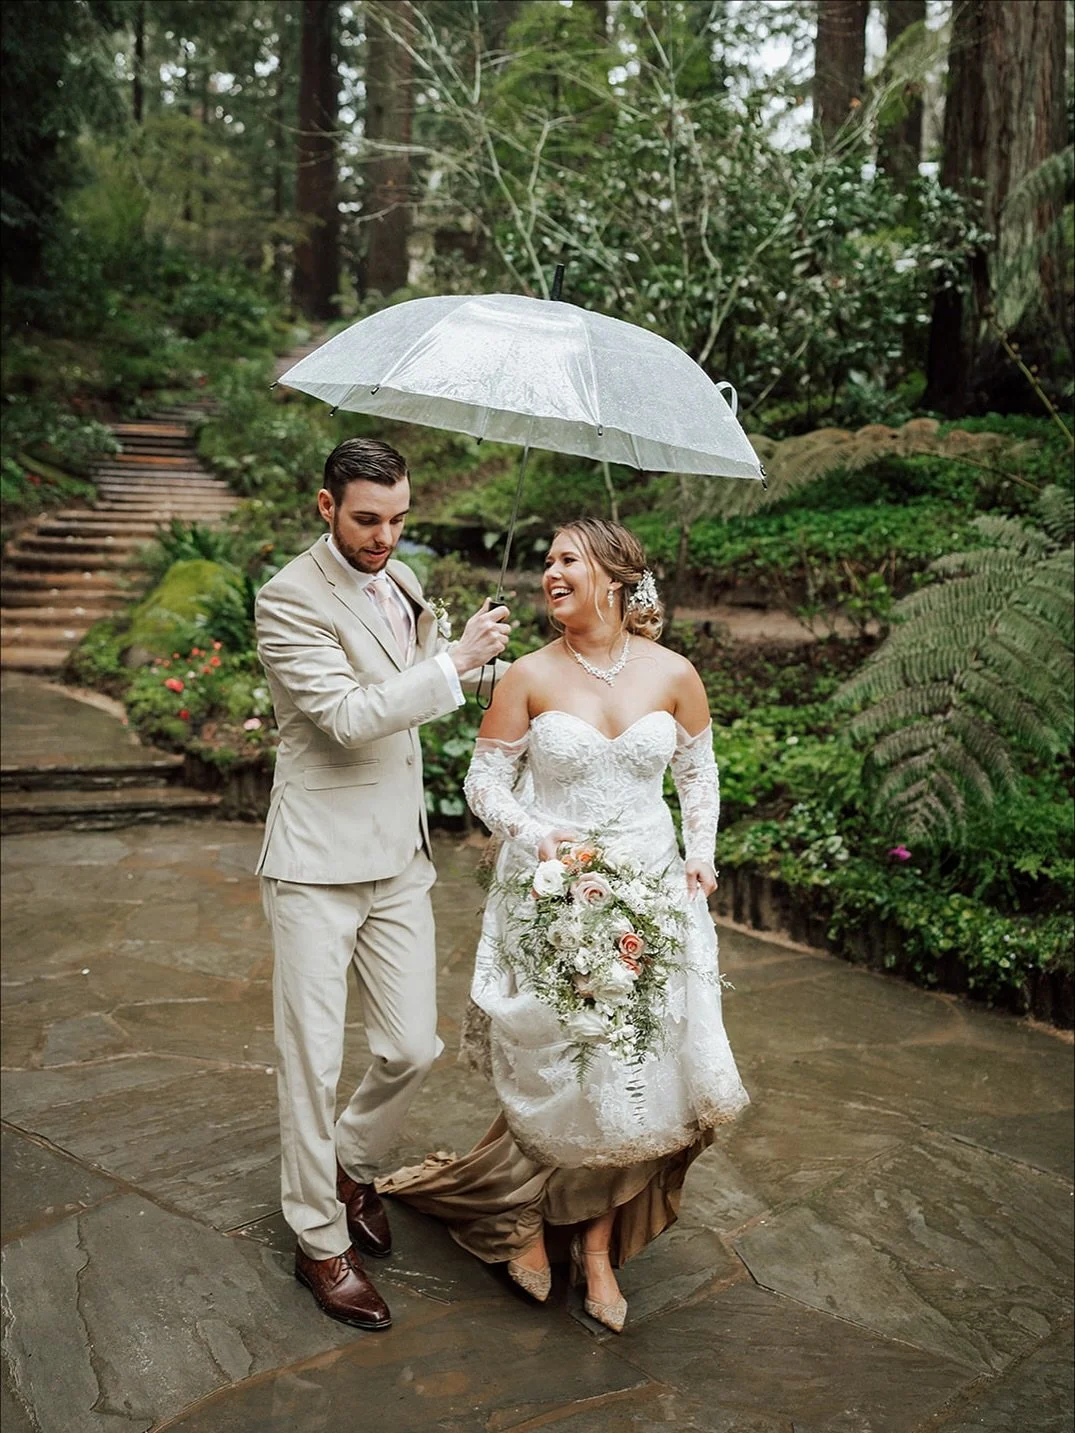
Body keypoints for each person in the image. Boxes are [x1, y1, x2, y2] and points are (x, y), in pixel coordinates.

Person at [379, 517, 748, 1333]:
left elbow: (698, 772)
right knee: (560, 1067)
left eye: (565, 559)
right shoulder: (528, 675)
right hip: (550, 891)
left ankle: (593, 1250)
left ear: (613, 576)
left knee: (629, 1072)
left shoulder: (673, 672)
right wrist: (534, 832)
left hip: (649, 891)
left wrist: (701, 855)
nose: (549, 572)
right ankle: (520, 1226)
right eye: (545, 560)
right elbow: (484, 783)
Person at [254, 436, 511, 1331]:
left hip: (399, 856)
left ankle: (349, 1160)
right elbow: (348, 716)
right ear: (326, 506)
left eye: (399, 518)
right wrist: (450, 665)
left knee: (413, 1047)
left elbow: (422, 686)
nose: (385, 536)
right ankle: (319, 1241)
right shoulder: (287, 598)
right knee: (311, 1062)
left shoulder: (401, 586)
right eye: (368, 519)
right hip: (317, 864)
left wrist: (491, 668)